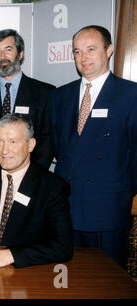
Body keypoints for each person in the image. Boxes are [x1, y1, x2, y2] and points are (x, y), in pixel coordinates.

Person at [50, 25, 137, 268]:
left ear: (109, 50)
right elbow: (59, 148)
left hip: (108, 209)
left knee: (108, 284)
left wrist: (119, 191)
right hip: (66, 209)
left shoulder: (130, 95)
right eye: (77, 52)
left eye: (91, 49)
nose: (83, 58)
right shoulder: (60, 96)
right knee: (70, 282)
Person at [0, 114, 73, 268]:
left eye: (13, 142)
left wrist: (10, 255)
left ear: (31, 145)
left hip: (24, 270)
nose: (4, 150)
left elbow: (63, 247)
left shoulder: (52, 187)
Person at [0, 29, 55, 176]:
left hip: (30, 180)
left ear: (20, 54)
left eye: (8, 49)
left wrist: (31, 177)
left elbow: (47, 142)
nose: (2, 56)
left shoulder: (44, 93)